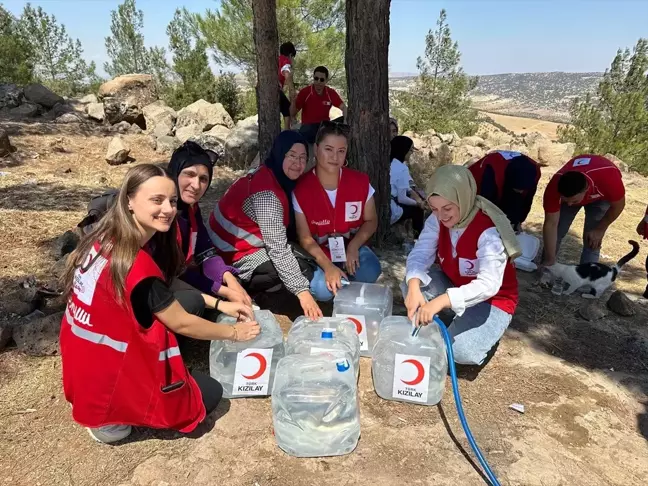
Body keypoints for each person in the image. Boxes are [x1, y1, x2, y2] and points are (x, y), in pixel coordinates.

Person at [60, 164, 259, 444]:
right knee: (210, 394)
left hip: (85, 359)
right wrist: (236, 333)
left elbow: (162, 291)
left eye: (172, 201)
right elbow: (181, 321)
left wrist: (220, 305)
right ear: (129, 200)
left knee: (189, 300)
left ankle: (95, 398)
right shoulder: (135, 264)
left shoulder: (105, 239)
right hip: (111, 374)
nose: (167, 209)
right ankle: (110, 418)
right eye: (157, 200)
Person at [403, 165, 521, 366]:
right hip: (455, 282)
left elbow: (488, 285)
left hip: (492, 300)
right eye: (434, 209)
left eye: (447, 208)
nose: (441, 216)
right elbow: (421, 252)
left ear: (463, 199)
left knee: (460, 352)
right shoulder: (437, 218)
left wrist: (441, 301)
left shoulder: (488, 230)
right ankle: (453, 316)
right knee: (411, 285)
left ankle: (486, 327)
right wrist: (414, 286)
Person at [208, 131, 323, 318]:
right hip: (230, 254)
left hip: (236, 243)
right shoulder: (267, 194)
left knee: (298, 261)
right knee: (300, 268)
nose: (298, 163)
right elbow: (277, 248)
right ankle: (258, 294)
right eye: (291, 156)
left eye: (303, 158)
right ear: (280, 154)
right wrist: (302, 292)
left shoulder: (269, 172)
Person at [293, 122, 382, 301]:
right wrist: (328, 267)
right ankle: (340, 282)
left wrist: (354, 246)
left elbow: (371, 221)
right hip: (321, 253)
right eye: (328, 149)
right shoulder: (301, 189)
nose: (335, 156)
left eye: (341, 151)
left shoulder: (360, 182)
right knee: (322, 290)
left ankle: (345, 283)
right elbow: (305, 238)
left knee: (371, 269)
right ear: (316, 149)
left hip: (351, 250)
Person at [165, 141, 251, 307]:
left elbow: (204, 250)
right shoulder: (164, 214)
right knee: (193, 304)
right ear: (174, 174)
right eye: (189, 174)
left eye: (203, 179)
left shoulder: (191, 209)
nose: (196, 185)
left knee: (233, 281)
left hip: (182, 274)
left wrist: (229, 279)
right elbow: (172, 272)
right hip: (163, 282)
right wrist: (223, 292)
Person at [541, 154, 625, 267]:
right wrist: (549, 260)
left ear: (586, 190)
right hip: (578, 188)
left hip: (601, 197)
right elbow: (551, 224)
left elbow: (618, 206)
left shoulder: (609, 179)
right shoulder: (554, 187)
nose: (570, 204)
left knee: (592, 239)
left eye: (574, 201)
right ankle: (546, 269)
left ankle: (588, 278)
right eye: (565, 200)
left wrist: (600, 229)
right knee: (558, 229)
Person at [468, 151, 541, 232]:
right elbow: (485, 206)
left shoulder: (535, 171)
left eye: (524, 189)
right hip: (473, 188)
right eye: (518, 189)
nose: (521, 192)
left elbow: (527, 201)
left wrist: (518, 222)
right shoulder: (491, 171)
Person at [290, 66, 348, 144]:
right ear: (313, 78)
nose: (318, 82)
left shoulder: (330, 92)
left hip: (324, 126)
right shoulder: (305, 92)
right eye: (316, 78)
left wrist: (345, 120)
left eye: (322, 80)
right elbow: (292, 113)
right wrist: (293, 101)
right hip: (309, 127)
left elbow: (343, 107)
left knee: (341, 120)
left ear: (326, 80)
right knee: (308, 130)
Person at [390, 136, 426, 238]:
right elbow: (402, 199)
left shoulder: (389, 164)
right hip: (391, 210)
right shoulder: (402, 168)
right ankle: (418, 238)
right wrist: (418, 204)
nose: (411, 153)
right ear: (404, 150)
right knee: (417, 211)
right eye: (410, 150)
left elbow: (408, 188)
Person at [278, 42, 296, 129]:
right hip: (276, 89)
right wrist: (292, 90)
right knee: (288, 108)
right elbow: (286, 73)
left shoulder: (277, 59)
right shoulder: (286, 60)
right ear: (290, 54)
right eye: (293, 57)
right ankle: (287, 131)